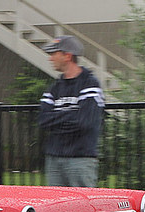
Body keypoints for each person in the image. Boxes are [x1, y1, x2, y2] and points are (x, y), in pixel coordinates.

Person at [38, 35, 105, 187]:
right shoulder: (54, 88)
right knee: (55, 202)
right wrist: (72, 116)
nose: (50, 58)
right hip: (54, 159)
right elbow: (43, 120)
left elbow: (85, 121)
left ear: (67, 56)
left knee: (83, 201)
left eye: (53, 54)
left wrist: (57, 120)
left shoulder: (90, 84)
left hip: (80, 158)